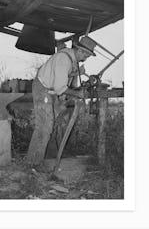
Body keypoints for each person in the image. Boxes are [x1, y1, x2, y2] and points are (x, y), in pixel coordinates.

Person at [26, 36, 97, 165]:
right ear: (80, 51)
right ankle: (32, 164)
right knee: (44, 127)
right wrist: (77, 93)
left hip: (50, 90)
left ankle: (45, 158)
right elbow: (60, 88)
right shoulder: (64, 59)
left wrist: (76, 74)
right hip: (43, 89)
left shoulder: (70, 58)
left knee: (53, 124)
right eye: (86, 55)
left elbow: (62, 76)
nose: (86, 58)